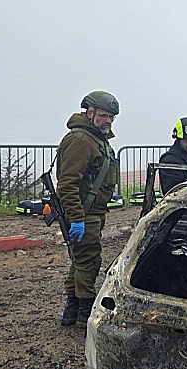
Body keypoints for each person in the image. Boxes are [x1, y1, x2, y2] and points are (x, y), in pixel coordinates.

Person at [57, 91, 120, 326]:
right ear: (89, 113)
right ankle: (85, 314)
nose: (108, 121)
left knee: (81, 260)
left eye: (111, 117)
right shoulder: (81, 141)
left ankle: (72, 312)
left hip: (91, 213)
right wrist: (76, 218)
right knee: (88, 262)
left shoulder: (96, 140)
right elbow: (67, 183)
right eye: (104, 115)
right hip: (84, 214)